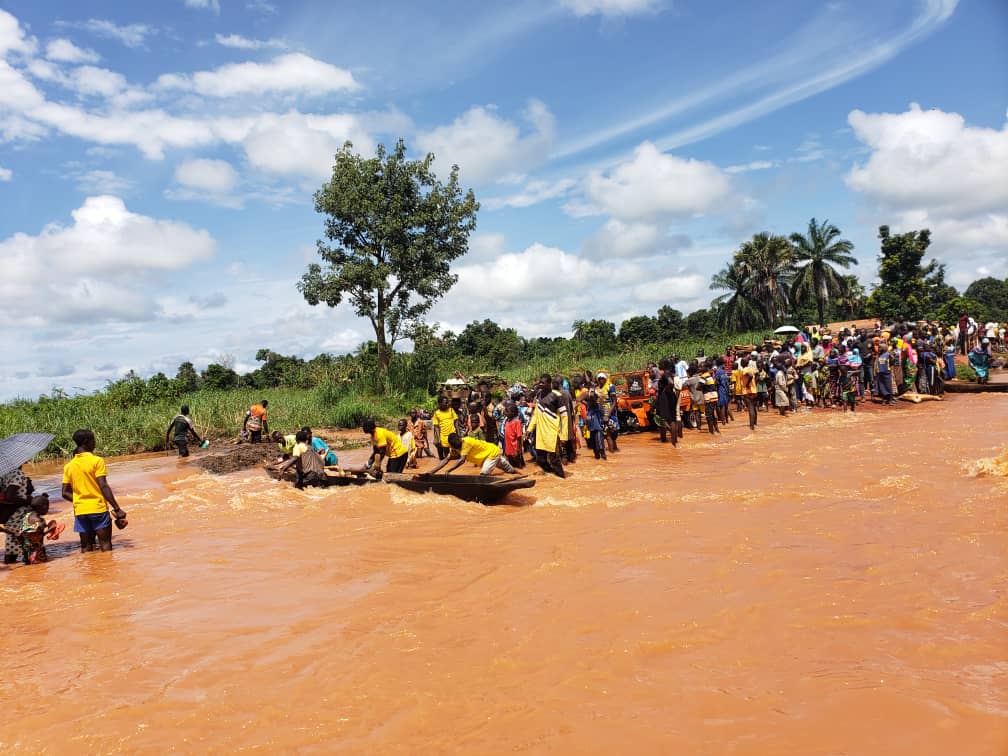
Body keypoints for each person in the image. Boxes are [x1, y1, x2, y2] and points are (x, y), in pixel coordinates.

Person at [61, 429, 126, 553]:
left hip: (80, 511)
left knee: (86, 547)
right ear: (87, 442)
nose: (94, 443)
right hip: (98, 509)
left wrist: (81, 501)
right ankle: (107, 571)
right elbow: (103, 486)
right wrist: (117, 509)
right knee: (105, 545)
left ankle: (90, 571)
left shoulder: (69, 466)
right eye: (93, 440)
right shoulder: (96, 461)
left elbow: (64, 493)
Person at [426, 432, 516, 476]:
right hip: (487, 456)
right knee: (511, 471)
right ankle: (518, 473)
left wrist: (449, 470)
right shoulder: (455, 447)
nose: (458, 448)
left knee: (484, 475)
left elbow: (462, 460)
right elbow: (445, 460)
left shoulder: (466, 442)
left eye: (458, 444)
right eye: (456, 446)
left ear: (459, 438)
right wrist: (432, 472)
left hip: (492, 454)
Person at [432, 395, 458, 460]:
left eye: (448, 402)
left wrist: (458, 433)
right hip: (443, 435)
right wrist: (438, 438)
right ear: (440, 404)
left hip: (452, 435)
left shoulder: (451, 410)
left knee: (456, 455)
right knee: (446, 456)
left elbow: (456, 422)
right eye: (445, 403)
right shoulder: (436, 413)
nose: (447, 404)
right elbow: (436, 426)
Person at [503, 403, 526, 469]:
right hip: (508, 446)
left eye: (507, 411)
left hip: (515, 447)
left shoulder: (517, 422)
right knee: (511, 464)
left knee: (518, 465)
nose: (505, 413)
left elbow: (519, 436)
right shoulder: (507, 421)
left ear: (513, 413)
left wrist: (518, 449)